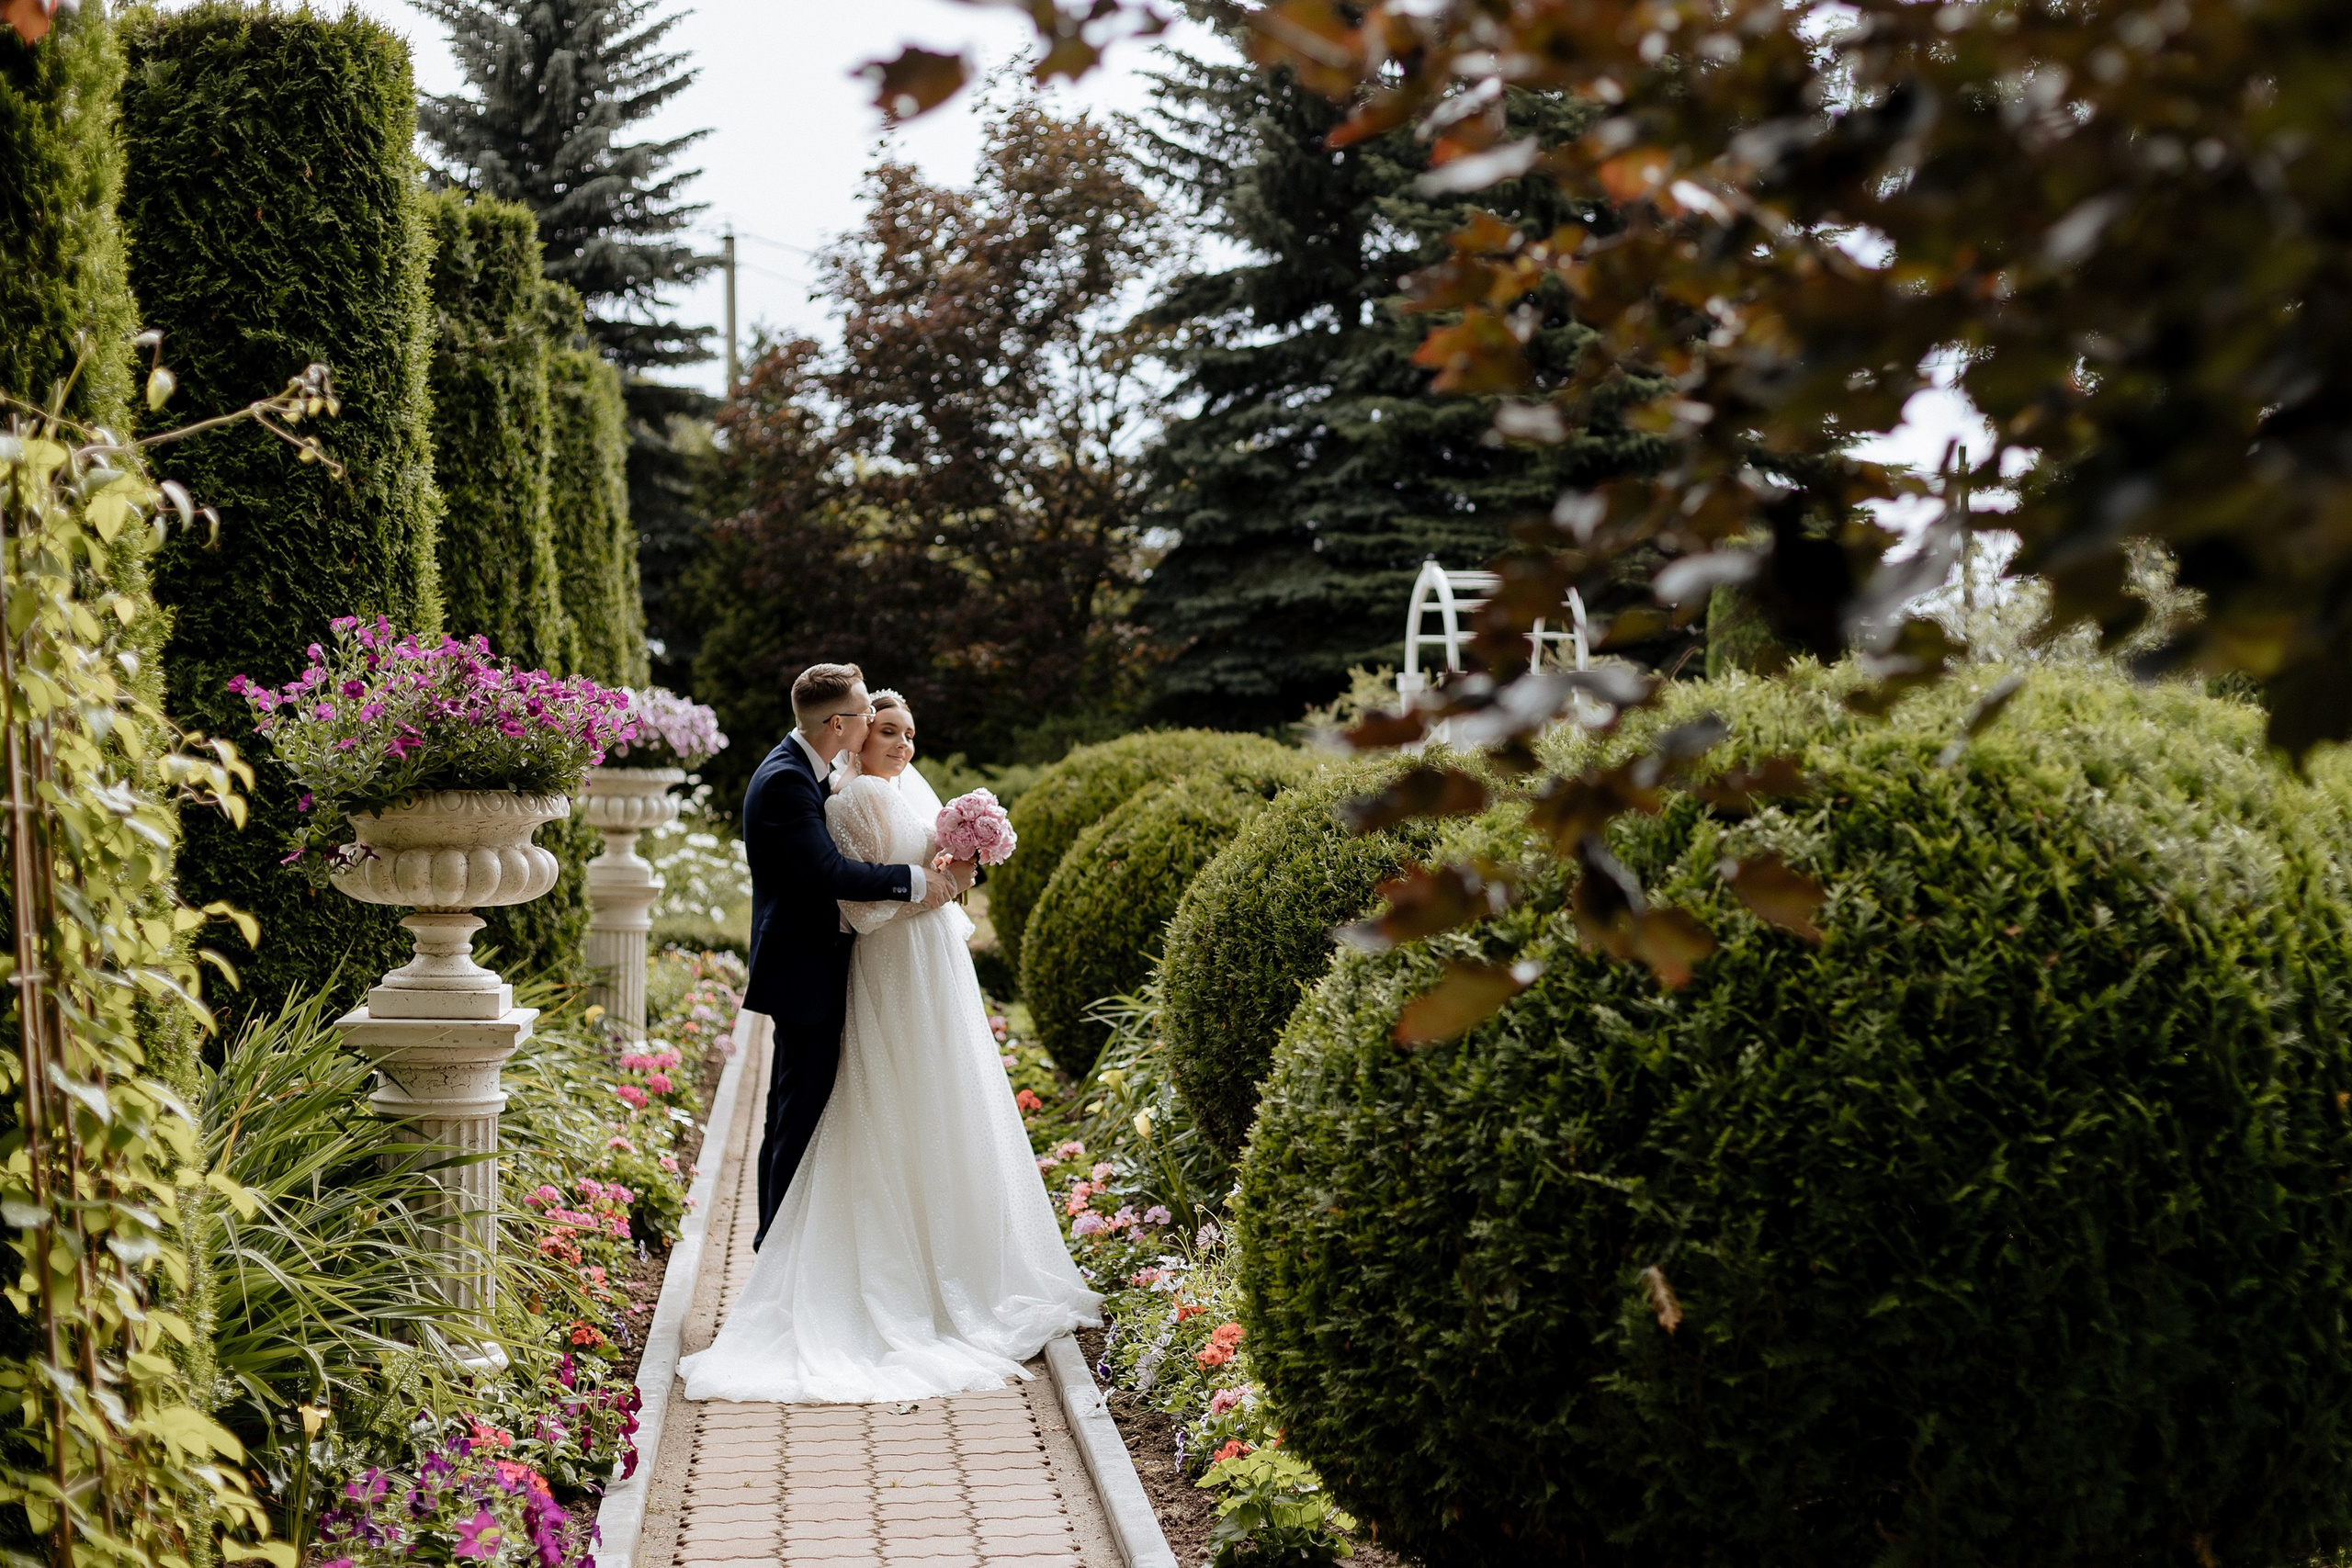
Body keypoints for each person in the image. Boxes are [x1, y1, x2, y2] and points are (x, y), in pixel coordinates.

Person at [681, 688, 1101, 1403]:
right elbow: (848, 894)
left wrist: (955, 865)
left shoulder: (872, 786)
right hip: (871, 965)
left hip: (917, 967)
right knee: (814, 1115)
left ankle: (917, 1260)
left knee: (917, 1103)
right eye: (887, 730)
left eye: (909, 732)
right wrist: (932, 885)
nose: (901, 743)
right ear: (849, 731)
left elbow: (894, 872)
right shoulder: (821, 789)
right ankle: (787, 1264)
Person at [735, 663, 971, 1247]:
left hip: (827, 964)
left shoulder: (811, 773)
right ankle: (776, 1249)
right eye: (868, 715)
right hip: (804, 970)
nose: (874, 723)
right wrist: (921, 883)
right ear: (840, 723)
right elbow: (826, 873)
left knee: (803, 1110)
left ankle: (785, 1242)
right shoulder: (787, 780)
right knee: (799, 1113)